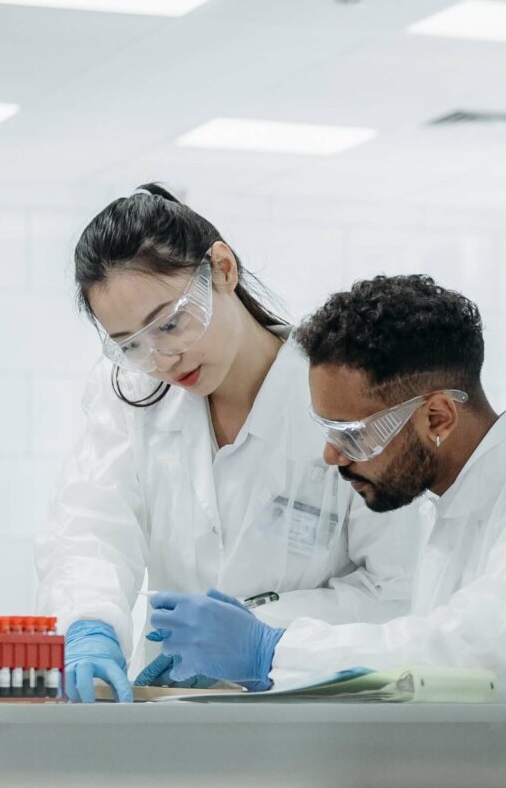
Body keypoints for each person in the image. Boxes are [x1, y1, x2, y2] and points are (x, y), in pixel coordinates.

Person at [137, 273, 506, 768]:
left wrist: (272, 652)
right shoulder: (459, 515)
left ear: (436, 415)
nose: (332, 457)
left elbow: (484, 674)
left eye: (351, 435)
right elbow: (422, 665)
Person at [37, 185, 419, 702]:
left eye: (170, 323)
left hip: (318, 711)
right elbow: (89, 529)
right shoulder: (129, 395)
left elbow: (402, 589)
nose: (163, 359)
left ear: (222, 269)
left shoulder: (345, 397)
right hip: (174, 707)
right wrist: (89, 623)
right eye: (132, 345)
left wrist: (262, 638)